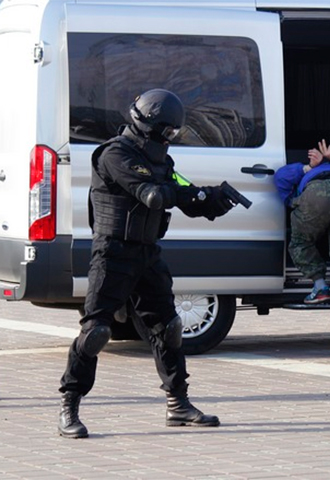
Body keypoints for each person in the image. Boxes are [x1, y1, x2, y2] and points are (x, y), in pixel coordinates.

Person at [58, 89, 235, 438]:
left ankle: (178, 404)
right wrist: (186, 194)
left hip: (146, 254)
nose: (169, 139)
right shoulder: (116, 154)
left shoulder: (160, 161)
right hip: (113, 254)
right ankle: (69, 404)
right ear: (150, 125)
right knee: (96, 332)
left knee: (169, 328)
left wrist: (210, 199)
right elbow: (152, 194)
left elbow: (178, 188)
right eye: (167, 132)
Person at [274, 142, 330, 355]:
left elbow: (280, 177)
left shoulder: (306, 172)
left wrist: (307, 168)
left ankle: (320, 286)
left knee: (299, 241)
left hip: (316, 192)